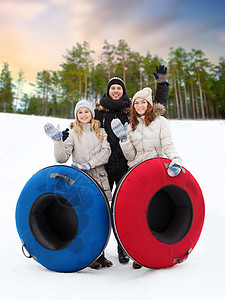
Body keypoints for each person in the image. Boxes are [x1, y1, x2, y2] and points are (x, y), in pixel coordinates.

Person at [94, 66, 169, 264]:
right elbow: (85, 126)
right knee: (100, 208)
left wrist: (161, 84)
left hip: (127, 165)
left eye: (119, 88)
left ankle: (123, 248)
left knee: (126, 209)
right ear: (108, 91)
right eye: (113, 88)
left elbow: (156, 107)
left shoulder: (131, 109)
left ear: (123, 91)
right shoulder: (98, 111)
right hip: (104, 166)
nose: (116, 91)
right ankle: (97, 252)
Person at [111, 87, 182, 269]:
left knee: (154, 212)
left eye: (143, 102)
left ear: (149, 104)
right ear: (133, 106)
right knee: (137, 216)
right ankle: (138, 254)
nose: (140, 105)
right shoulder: (132, 125)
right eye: (136, 102)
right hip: (137, 174)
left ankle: (156, 252)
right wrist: (124, 140)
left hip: (156, 174)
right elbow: (130, 157)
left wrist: (175, 158)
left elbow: (167, 144)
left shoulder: (161, 122)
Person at [44, 99, 113, 269]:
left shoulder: (101, 132)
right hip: (82, 183)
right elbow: (61, 158)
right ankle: (90, 256)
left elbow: (106, 152)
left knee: (103, 219)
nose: (83, 115)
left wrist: (89, 164)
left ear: (92, 114)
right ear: (76, 115)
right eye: (80, 112)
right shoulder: (73, 133)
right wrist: (58, 141)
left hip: (100, 179)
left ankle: (101, 255)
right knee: (86, 218)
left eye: (86, 111)